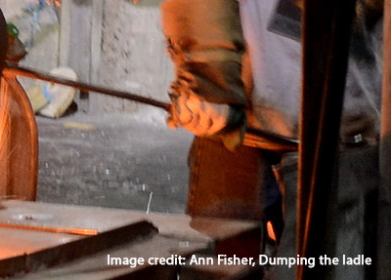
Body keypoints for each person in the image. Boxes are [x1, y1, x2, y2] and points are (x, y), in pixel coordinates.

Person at [160, 0, 382, 279]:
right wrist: (209, 76)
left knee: (326, 265)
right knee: (222, 263)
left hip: (346, 131)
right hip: (240, 127)